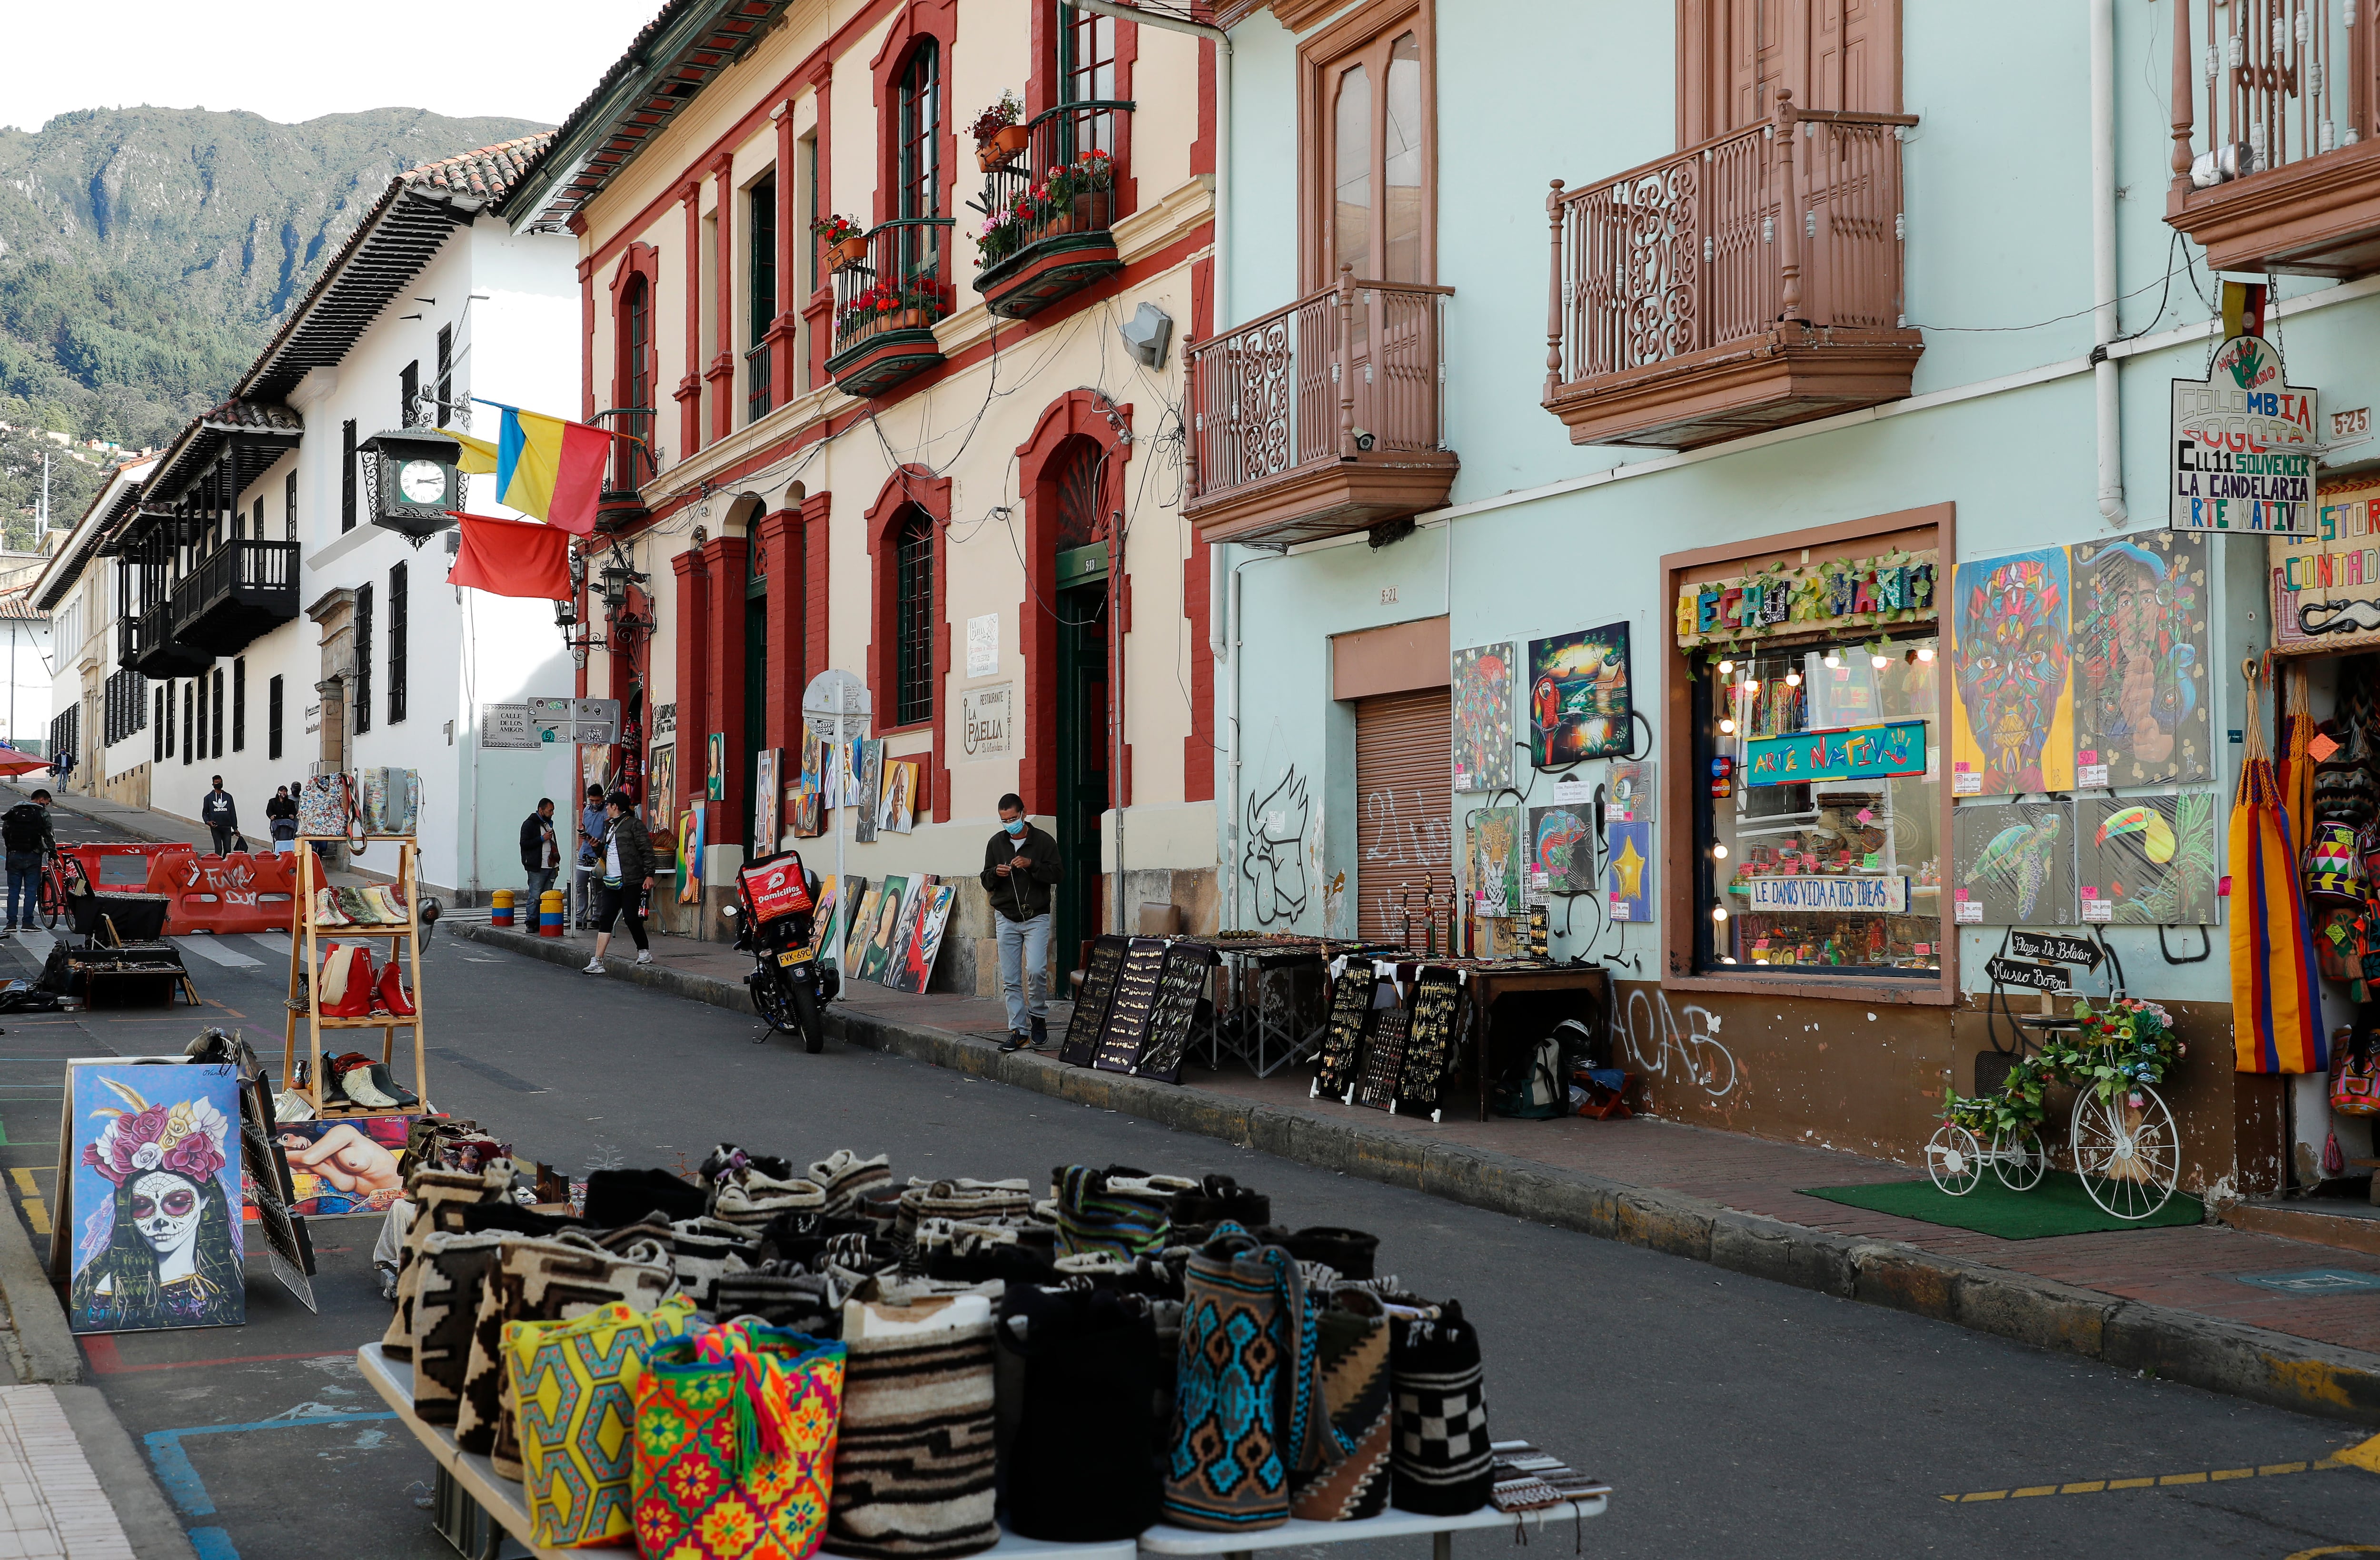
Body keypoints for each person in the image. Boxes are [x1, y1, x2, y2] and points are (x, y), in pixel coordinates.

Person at [981, 793, 1063, 1053]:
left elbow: (1058, 874)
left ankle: (1038, 1015)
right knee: (1011, 978)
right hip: (1006, 917)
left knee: (1037, 970)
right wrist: (996, 873)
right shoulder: (996, 843)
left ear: (1024, 814)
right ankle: (1019, 1030)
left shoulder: (1043, 841)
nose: (1009, 824)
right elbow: (985, 879)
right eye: (1004, 820)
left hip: (1036, 916)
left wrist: (1032, 864)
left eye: (1013, 819)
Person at [586, 790, 656, 974]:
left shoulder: (634, 825)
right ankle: (598, 960)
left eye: (608, 805)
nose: (606, 808)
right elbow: (609, 854)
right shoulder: (610, 827)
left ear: (615, 807)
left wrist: (649, 875)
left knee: (632, 918)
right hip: (611, 880)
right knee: (606, 918)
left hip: (632, 880)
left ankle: (644, 951)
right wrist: (596, 847)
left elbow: (647, 851)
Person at [0, 788, 53, 936]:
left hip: (14, 856)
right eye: (47, 802)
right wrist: (52, 852)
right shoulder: (42, 814)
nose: (47, 805)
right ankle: (28, 923)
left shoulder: (14, 811)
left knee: (14, 890)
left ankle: (11, 923)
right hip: (33, 856)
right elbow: (49, 836)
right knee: (31, 890)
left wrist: (12, 847)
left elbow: (5, 832)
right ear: (42, 799)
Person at [573, 783, 606, 929]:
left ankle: (597, 917)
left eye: (597, 801)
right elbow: (585, 826)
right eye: (592, 801)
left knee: (598, 887)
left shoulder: (606, 812)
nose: (594, 804)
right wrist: (583, 834)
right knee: (580, 885)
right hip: (585, 852)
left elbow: (608, 833)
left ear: (602, 798)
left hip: (599, 853)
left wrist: (599, 843)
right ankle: (580, 916)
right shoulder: (586, 811)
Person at [519, 798, 561, 904]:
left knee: (547, 897)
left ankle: (544, 919)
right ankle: (532, 920)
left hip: (551, 866)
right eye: (550, 811)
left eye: (553, 810)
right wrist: (542, 839)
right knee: (535, 897)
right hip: (538, 867)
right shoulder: (529, 824)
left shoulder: (548, 824)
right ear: (541, 810)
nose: (552, 813)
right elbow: (524, 844)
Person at [200, 776, 239, 855]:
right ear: (213, 784)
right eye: (217, 782)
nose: (219, 784)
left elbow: (233, 813)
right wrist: (208, 822)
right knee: (218, 849)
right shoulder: (208, 798)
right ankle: (218, 865)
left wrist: (235, 828)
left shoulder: (228, 797)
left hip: (227, 827)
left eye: (220, 782)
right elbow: (205, 813)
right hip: (216, 827)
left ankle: (226, 865)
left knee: (228, 849)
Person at [265, 786, 298, 854]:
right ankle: (276, 851)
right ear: (278, 792)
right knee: (277, 838)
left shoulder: (290, 802)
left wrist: (292, 815)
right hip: (276, 824)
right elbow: (269, 810)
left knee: (289, 838)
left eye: (285, 791)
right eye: (282, 791)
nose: (283, 793)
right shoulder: (272, 801)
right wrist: (271, 816)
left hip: (288, 825)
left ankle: (288, 851)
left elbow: (294, 811)